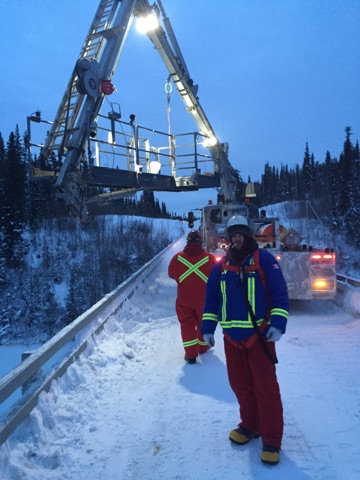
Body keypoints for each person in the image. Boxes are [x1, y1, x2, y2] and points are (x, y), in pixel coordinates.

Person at [201, 215, 289, 465]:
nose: (236, 239)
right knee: (240, 384)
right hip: (232, 340)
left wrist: (278, 325)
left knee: (266, 388)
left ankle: (271, 439)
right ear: (228, 239)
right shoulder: (221, 265)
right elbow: (211, 300)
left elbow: (280, 295)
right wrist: (208, 328)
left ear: (248, 236)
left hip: (259, 338)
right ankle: (251, 425)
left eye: (240, 234)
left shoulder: (265, 261)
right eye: (233, 235)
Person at [168, 231, 216, 364]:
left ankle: (190, 355)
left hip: (184, 299)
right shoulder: (209, 258)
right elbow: (216, 276)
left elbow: (171, 274)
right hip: (204, 300)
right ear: (200, 242)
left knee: (187, 325)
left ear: (187, 241)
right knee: (203, 323)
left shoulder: (177, 258)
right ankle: (202, 347)